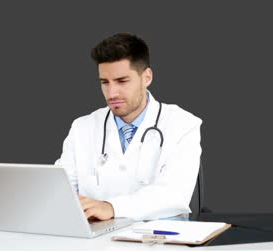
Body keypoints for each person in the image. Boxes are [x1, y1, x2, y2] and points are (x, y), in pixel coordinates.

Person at [55, 33, 202, 221]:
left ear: (147, 77)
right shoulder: (82, 127)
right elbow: (61, 192)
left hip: (160, 241)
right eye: (104, 82)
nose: (111, 93)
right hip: (94, 244)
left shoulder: (182, 124)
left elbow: (174, 194)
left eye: (122, 81)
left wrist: (111, 208)